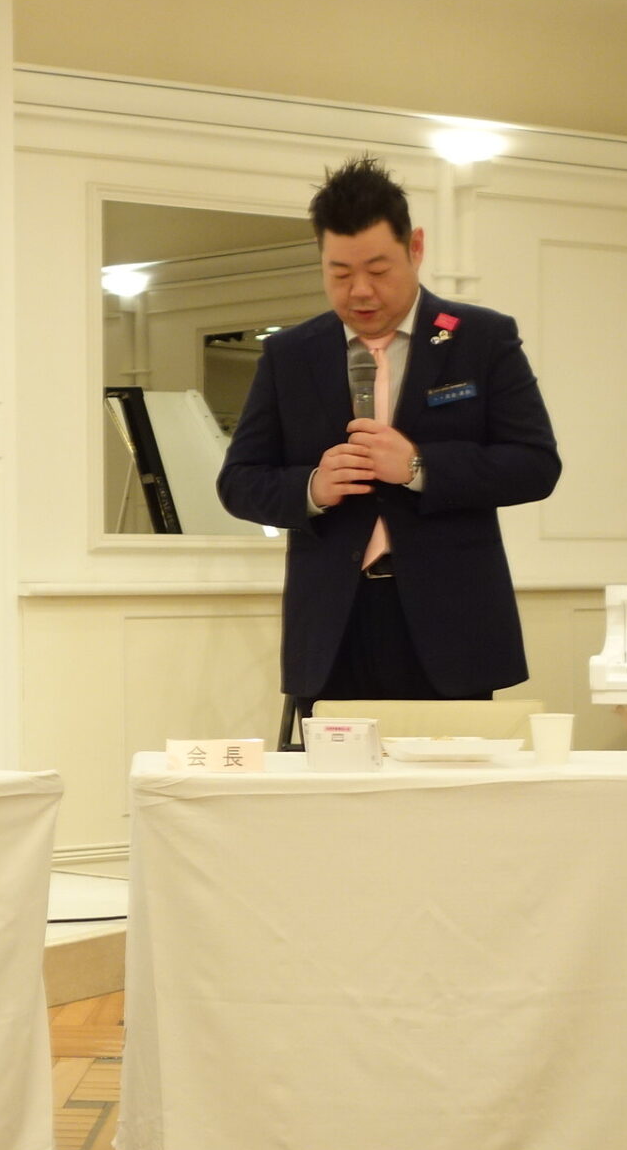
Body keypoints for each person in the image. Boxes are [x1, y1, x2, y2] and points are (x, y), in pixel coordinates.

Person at [217, 155, 560, 725]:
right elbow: (239, 482)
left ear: (415, 247)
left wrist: (420, 466)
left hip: (452, 623)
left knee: (452, 781)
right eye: (339, 273)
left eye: (378, 270)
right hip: (334, 626)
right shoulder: (290, 355)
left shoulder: (481, 339)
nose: (360, 291)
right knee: (336, 783)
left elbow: (535, 465)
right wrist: (312, 488)